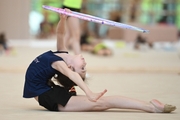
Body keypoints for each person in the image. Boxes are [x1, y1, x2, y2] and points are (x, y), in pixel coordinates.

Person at [23, 9, 176, 113]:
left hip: (47, 94)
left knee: (102, 103)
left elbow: (62, 36)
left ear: (70, 67)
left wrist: (63, 19)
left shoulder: (60, 59)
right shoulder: (60, 59)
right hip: (47, 95)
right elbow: (73, 73)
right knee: (102, 103)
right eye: (84, 69)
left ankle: (151, 107)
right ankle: (151, 107)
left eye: (83, 68)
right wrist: (88, 93)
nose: (85, 64)